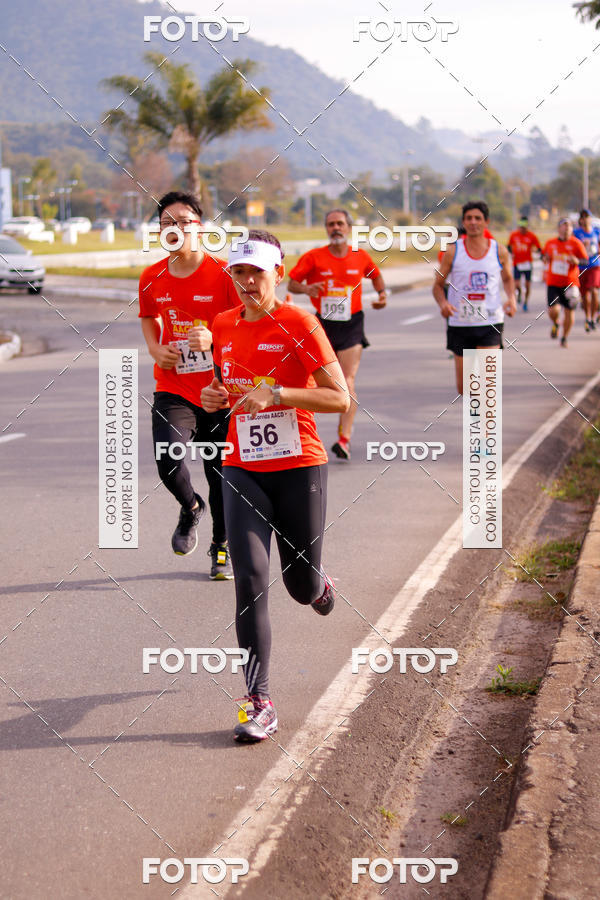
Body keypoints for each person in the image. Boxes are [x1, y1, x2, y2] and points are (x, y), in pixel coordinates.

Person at [201, 230, 350, 742]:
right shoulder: (221, 323)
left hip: (299, 467)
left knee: (300, 586)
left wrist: (279, 393)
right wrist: (214, 395)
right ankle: (258, 700)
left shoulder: (299, 323)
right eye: (238, 273)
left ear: (277, 274)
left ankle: (319, 582)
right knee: (249, 580)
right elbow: (225, 386)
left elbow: (340, 398)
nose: (245, 282)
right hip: (242, 466)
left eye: (255, 273)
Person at [138, 191, 239, 578]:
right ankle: (191, 506)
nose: (176, 229)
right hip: (174, 387)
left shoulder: (225, 273)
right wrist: (154, 347)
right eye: (167, 224)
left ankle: (220, 548)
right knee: (168, 460)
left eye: (184, 222)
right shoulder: (152, 277)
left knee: (220, 474)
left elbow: (245, 324)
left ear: (200, 227)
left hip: (220, 391)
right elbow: (148, 316)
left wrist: (213, 338)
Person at [287, 209, 387, 461]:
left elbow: (376, 276)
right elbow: (291, 284)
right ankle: (304, 433)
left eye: (340, 224)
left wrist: (382, 296)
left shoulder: (360, 256)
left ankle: (344, 438)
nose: (336, 228)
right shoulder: (314, 257)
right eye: (331, 224)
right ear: (326, 229)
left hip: (352, 323)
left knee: (348, 380)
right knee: (310, 381)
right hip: (323, 325)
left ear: (349, 228)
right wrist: (308, 287)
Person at [433, 201, 516, 394]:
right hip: (460, 324)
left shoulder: (499, 251)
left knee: (488, 382)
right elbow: (437, 286)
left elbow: (508, 279)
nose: (473, 222)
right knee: (466, 388)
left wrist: (511, 298)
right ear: (464, 222)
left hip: (490, 322)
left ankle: (487, 424)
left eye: (478, 218)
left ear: (486, 222)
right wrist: (443, 303)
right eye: (469, 218)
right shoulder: (453, 252)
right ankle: (476, 421)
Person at [542, 218, 588, 348]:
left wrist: (577, 261)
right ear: (559, 228)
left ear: (572, 229)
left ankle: (564, 337)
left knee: (569, 311)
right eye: (564, 225)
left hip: (570, 283)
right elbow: (544, 255)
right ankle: (556, 323)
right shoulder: (550, 243)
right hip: (553, 282)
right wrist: (545, 258)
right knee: (553, 310)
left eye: (569, 226)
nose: (567, 228)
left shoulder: (577, 243)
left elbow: (585, 261)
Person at [507, 216, 542, 311]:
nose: (522, 229)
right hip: (517, 263)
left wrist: (539, 253)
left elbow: (539, 248)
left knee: (527, 285)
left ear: (527, 226)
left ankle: (525, 302)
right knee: (517, 284)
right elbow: (508, 246)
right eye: (521, 227)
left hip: (527, 264)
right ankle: (519, 293)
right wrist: (511, 253)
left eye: (524, 227)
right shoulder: (514, 235)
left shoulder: (532, 236)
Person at [573, 209, 600, 331]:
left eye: (587, 217)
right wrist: (582, 246)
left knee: (594, 291)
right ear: (580, 220)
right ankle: (588, 317)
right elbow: (571, 248)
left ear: (590, 218)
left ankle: (594, 317)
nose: (585, 219)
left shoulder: (596, 231)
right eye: (582, 217)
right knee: (585, 295)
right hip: (581, 266)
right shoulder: (576, 233)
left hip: (594, 265)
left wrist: (595, 249)